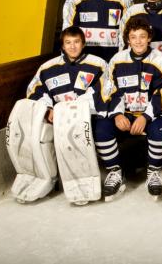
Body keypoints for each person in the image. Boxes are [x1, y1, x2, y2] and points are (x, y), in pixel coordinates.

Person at [9, 26, 108, 204]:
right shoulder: (48, 67)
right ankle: (46, 176)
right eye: (68, 43)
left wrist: (71, 110)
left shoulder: (98, 64)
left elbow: (103, 92)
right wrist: (47, 110)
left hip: (86, 116)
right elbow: (35, 91)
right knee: (33, 130)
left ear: (83, 43)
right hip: (55, 116)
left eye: (76, 42)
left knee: (75, 131)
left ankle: (82, 179)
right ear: (62, 46)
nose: (72, 47)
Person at [97, 17, 162, 201]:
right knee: (101, 129)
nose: (138, 41)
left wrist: (145, 117)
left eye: (142, 36)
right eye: (133, 37)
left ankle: (153, 172)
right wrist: (117, 114)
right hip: (126, 113)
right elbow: (111, 90)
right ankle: (115, 172)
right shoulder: (117, 60)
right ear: (127, 40)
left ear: (149, 38)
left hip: (152, 113)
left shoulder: (161, 60)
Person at [62, 0, 133, 61]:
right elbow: (67, 30)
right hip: (83, 57)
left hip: (113, 57)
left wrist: (124, 57)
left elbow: (130, 29)